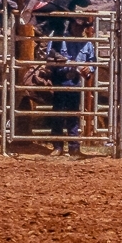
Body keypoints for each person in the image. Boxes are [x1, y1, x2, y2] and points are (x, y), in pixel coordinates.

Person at [47, 15, 95, 156]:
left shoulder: (87, 44)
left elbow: (92, 62)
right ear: (71, 24)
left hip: (75, 82)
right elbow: (49, 57)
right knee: (58, 114)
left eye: (82, 27)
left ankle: (73, 147)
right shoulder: (58, 39)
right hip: (59, 79)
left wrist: (89, 68)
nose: (80, 29)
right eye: (77, 25)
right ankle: (58, 146)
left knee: (73, 115)